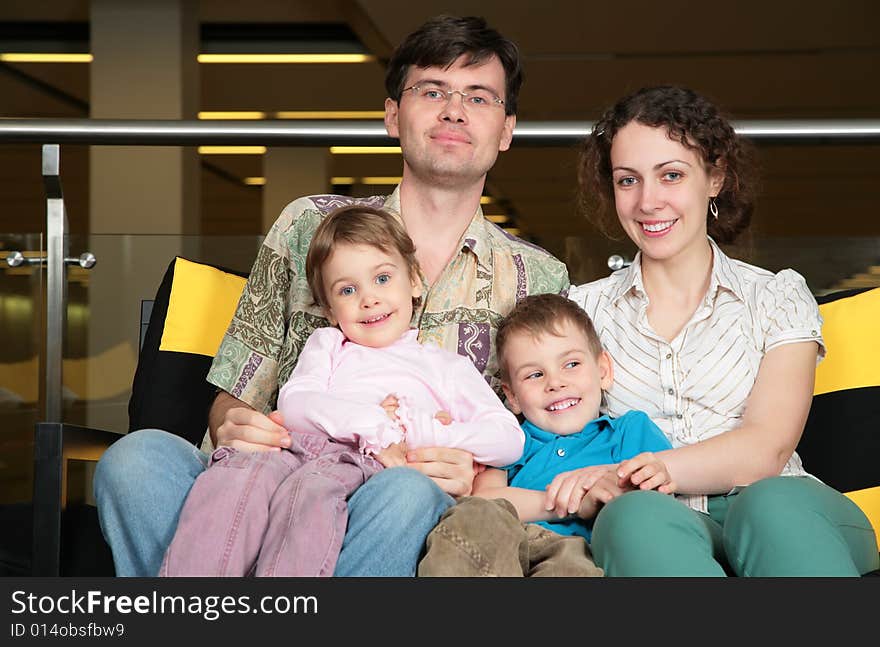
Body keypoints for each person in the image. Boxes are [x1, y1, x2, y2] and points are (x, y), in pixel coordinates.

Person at [93, 15, 569, 577]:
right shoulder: (309, 226)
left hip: (409, 510)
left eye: (479, 97)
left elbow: (538, 439)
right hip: (274, 481)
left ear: (506, 129)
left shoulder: (538, 275)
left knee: (405, 496)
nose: (453, 109)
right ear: (393, 115)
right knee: (135, 459)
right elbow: (235, 396)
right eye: (431, 90)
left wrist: (479, 476)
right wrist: (233, 422)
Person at [565, 85, 878, 576]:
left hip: (791, 516)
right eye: (628, 180)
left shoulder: (775, 297)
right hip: (663, 524)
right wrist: (593, 487)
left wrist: (658, 468)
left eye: (671, 175)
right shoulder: (581, 311)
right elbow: (566, 439)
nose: (649, 201)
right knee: (630, 516)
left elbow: (766, 448)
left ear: (714, 177)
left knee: (771, 504)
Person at [160, 206, 524, 576]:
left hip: (360, 467)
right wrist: (376, 425)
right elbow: (296, 404)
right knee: (235, 477)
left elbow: (508, 438)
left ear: (414, 281)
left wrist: (427, 431)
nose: (369, 299)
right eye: (348, 290)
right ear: (331, 310)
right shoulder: (328, 345)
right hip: (294, 449)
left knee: (309, 496)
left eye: (382, 278)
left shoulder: (446, 367)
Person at [418, 293, 672, 576]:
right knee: (472, 518)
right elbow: (484, 501)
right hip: (504, 547)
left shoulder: (629, 431)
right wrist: (572, 503)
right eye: (535, 375)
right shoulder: (509, 439)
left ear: (603, 370)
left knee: (571, 566)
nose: (555, 383)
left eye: (571, 364)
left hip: (579, 552)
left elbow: (658, 503)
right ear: (512, 396)